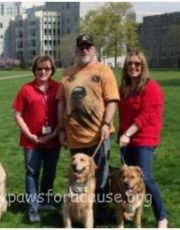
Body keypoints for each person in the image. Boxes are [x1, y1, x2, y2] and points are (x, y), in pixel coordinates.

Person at [56, 33, 120, 223]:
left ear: (94, 50)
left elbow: (112, 100)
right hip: (75, 136)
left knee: (100, 176)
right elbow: (60, 103)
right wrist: (61, 130)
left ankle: (99, 211)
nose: (85, 50)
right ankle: (79, 212)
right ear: (76, 50)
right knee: (76, 176)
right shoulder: (67, 74)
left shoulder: (104, 71)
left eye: (88, 47)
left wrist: (106, 124)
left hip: (98, 136)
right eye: (81, 47)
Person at [118, 51, 168, 228]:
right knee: (127, 180)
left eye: (137, 64)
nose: (133, 67)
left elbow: (146, 115)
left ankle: (161, 217)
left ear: (143, 66)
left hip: (144, 138)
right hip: (126, 140)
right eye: (130, 63)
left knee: (144, 178)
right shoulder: (124, 87)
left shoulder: (151, 87)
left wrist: (128, 134)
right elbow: (123, 116)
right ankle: (131, 211)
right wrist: (121, 136)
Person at [12, 55, 60, 223]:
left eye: (46, 68)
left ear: (52, 70)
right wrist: (29, 135)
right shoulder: (26, 89)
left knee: (50, 171)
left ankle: (46, 200)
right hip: (31, 141)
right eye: (39, 68)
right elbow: (17, 115)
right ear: (34, 70)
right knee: (32, 173)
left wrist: (56, 132)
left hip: (53, 139)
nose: (43, 71)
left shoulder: (58, 88)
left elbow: (63, 112)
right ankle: (33, 207)